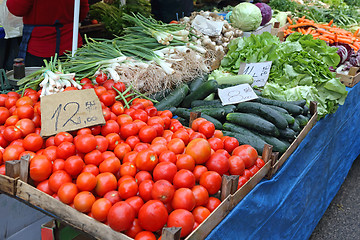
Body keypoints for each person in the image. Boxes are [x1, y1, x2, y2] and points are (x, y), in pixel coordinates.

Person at [6, 0, 89, 67]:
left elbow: (16, 9)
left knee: (37, 85)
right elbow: (82, 12)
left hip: (40, 49)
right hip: (71, 45)